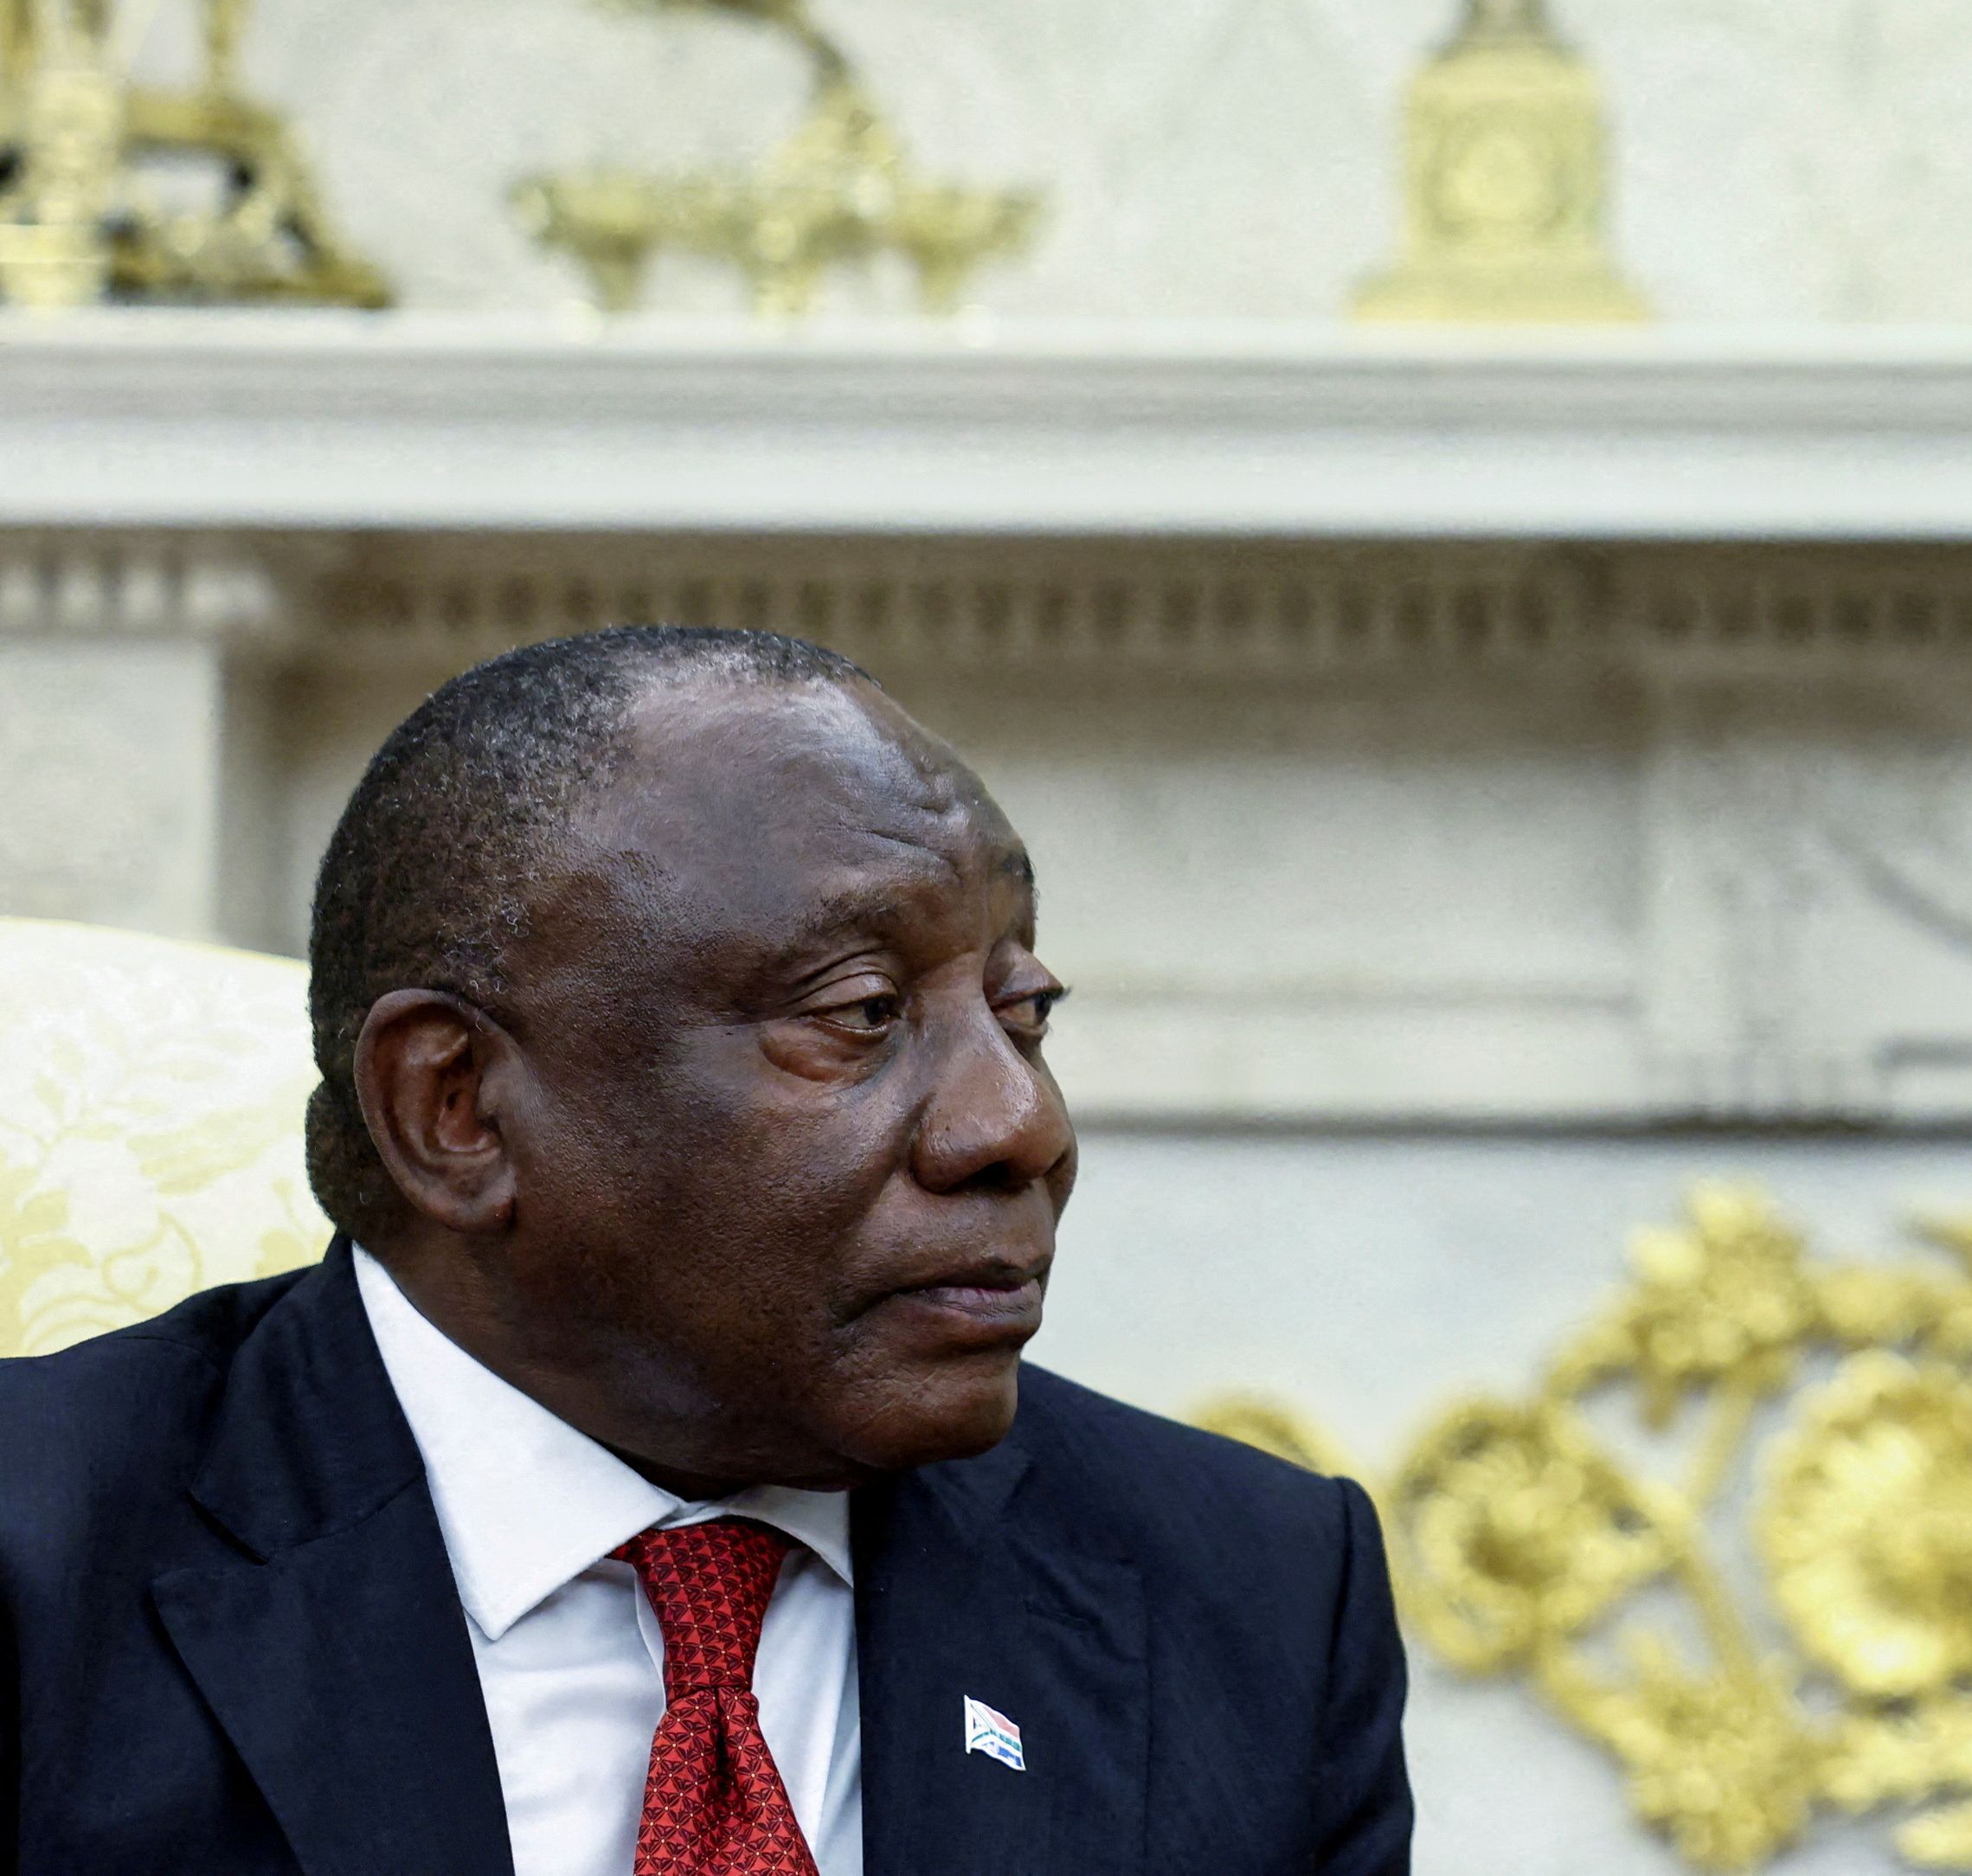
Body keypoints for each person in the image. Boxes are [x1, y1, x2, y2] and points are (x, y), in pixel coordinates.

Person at [0, 626, 1410, 1875]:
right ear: (457, 1108)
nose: (1018, 1124)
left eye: (1021, 1010)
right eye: (859, 1013)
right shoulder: (44, 1575)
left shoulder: (1250, 1599)